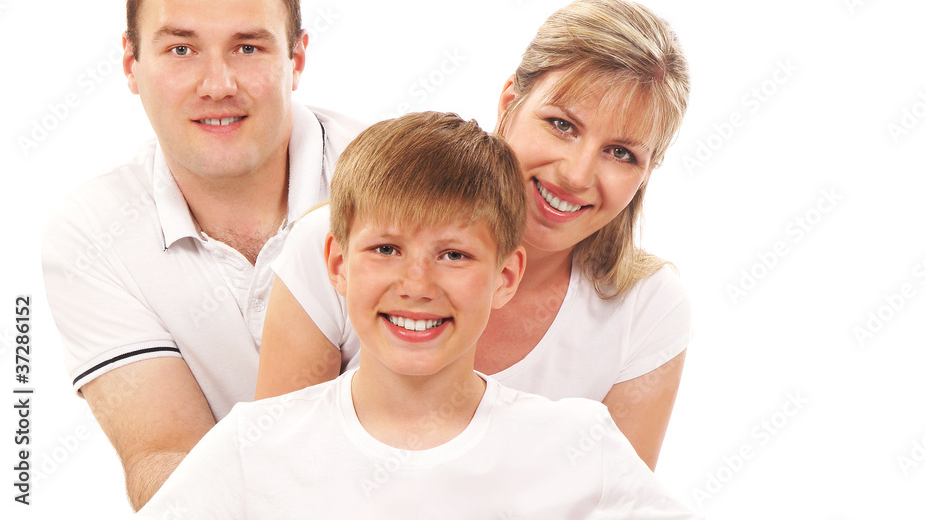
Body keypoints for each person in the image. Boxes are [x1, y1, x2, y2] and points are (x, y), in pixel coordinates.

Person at [138, 112, 700, 519]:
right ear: (337, 263)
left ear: (504, 277)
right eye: (386, 250)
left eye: (453, 255)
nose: (416, 285)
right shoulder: (253, 445)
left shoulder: (576, 443)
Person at [257, 0, 692, 469]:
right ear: (510, 104)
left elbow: (615, 506)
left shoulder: (647, 309)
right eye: (562, 125)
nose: (577, 174)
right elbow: (279, 473)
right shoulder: (344, 242)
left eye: (621, 153)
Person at [41, 0, 363, 509]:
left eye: (248, 46)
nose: (218, 85)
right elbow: (161, 456)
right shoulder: (91, 233)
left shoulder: (397, 182)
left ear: (297, 59)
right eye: (181, 49)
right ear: (131, 64)